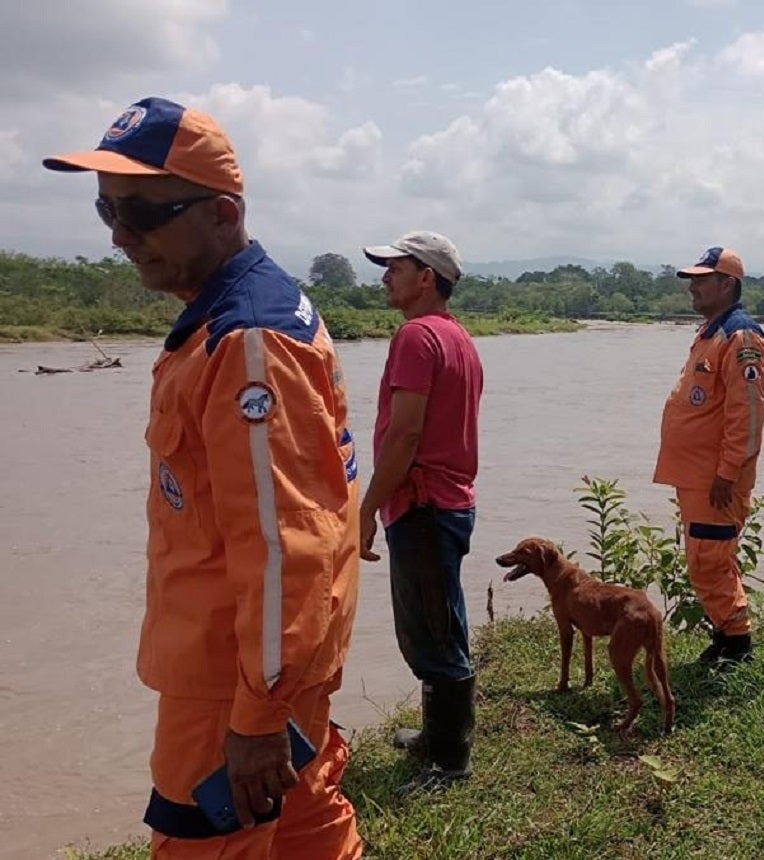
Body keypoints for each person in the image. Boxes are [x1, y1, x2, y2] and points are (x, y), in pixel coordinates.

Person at [43, 97, 362, 858]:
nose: (122, 237)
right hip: (277, 668)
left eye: (146, 212)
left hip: (234, 682)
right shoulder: (239, 314)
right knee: (306, 829)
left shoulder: (247, 340)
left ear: (223, 214)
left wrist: (255, 713)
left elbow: (287, 548)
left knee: (204, 843)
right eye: (106, 211)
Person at [358, 231, 483, 789]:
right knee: (439, 621)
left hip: (424, 502)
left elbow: (405, 435)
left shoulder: (415, 337)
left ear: (426, 277)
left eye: (395, 267)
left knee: (432, 632)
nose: (386, 276)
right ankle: (437, 738)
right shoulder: (458, 338)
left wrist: (367, 507)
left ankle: (450, 763)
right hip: (447, 501)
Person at [653, 246, 764, 665]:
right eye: (692, 281)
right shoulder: (711, 333)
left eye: (703, 280)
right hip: (698, 475)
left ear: (727, 284)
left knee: (710, 561)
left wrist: (727, 471)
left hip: (716, 479)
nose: (693, 289)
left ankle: (738, 647)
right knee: (707, 558)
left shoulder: (741, 337)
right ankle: (725, 635)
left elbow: (748, 414)